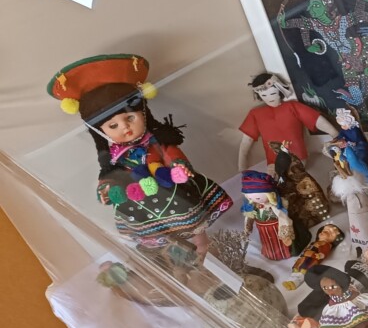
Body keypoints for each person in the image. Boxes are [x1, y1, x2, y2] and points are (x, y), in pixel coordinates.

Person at [48, 54, 232, 261]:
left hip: (172, 188)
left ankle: (202, 243)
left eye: (130, 117)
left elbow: (171, 152)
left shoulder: (155, 141)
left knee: (193, 220)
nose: (125, 127)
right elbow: (111, 175)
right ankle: (174, 252)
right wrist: (107, 188)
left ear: (143, 113)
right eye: (113, 125)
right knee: (159, 230)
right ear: (100, 132)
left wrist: (179, 166)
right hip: (139, 198)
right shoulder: (114, 157)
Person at [238, 73, 340, 170]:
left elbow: (317, 120)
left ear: (280, 91)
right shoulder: (255, 114)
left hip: (297, 158)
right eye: (264, 95)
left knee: (293, 173)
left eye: (273, 93)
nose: (269, 98)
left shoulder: (292, 107)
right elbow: (246, 141)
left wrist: (335, 134)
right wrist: (242, 167)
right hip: (273, 162)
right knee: (277, 176)